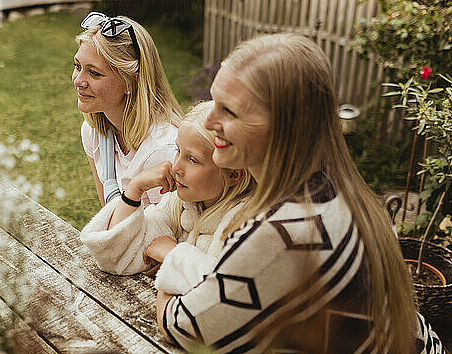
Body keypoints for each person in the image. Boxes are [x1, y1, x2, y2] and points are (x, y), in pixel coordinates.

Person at [156, 34, 444, 353]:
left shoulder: (282, 233)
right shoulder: (335, 188)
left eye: (230, 111)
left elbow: (180, 326)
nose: (210, 121)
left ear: (283, 126)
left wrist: (176, 263)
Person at [80, 101, 254, 294]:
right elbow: (114, 255)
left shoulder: (247, 226)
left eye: (193, 159)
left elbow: (222, 295)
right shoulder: (180, 204)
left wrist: (172, 254)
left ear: (234, 175)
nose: (176, 167)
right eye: (178, 151)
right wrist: (134, 189)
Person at [74, 12, 182, 208]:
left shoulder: (162, 151)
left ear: (131, 81)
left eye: (94, 73)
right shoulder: (93, 132)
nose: (78, 81)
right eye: (77, 66)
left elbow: (166, 233)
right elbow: (108, 216)